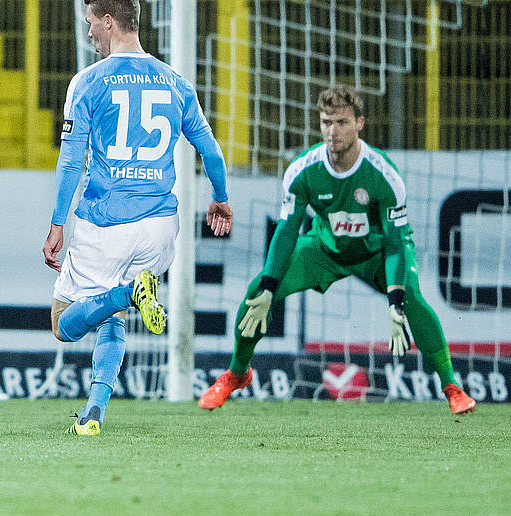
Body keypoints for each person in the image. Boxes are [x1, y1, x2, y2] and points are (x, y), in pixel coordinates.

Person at [199, 85, 476, 415]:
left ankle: (452, 387)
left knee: (413, 301)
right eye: (326, 122)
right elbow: (287, 231)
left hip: (376, 254)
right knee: (256, 293)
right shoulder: (303, 170)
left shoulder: (383, 175)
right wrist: (270, 287)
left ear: (360, 123)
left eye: (342, 122)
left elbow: (394, 242)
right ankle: (236, 375)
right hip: (324, 249)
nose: (333, 131)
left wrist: (395, 300)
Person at [43, 0, 232, 436]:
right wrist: (220, 198)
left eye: (90, 22)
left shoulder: (88, 82)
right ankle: (93, 413)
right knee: (113, 319)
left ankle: (128, 293)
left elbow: (72, 158)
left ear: (108, 21)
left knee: (62, 325)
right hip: (161, 229)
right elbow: (210, 150)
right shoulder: (175, 81)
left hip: (106, 222)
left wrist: (56, 224)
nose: (88, 32)